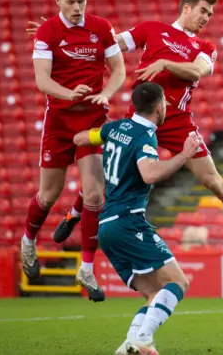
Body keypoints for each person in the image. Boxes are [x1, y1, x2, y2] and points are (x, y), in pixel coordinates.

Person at [45, 0, 223, 266]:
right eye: (203, 11)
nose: (207, 17)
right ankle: (74, 213)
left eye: (211, 14)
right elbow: (109, 44)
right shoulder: (152, 29)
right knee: (113, 174)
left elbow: (196, 72)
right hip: (141, 118)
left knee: (213, 181)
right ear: (187, 8)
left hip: (178, 119)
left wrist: (165, 62)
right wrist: (61, 37)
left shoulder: (206, 48)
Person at [22, 0, 126, 302]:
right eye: (71, 1)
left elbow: (119, 69)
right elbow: (42, 80)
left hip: (92, 121)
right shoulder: (47, 31)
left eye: (82, 0)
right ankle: (27, 242)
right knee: (47, 195)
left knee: (96, 194)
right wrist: (70, 93)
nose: (78, 7)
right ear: (58, 2)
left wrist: (105, 93)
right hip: (59, 124)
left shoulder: (101, 27)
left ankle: (86, 269)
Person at [74, 82, 197, 355]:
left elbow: (81, 138)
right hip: (129, 221)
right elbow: (150, 174)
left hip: (105, 227)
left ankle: (129, 345)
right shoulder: (145, 136)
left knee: (154, 295)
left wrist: (95, 140)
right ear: (159, 107)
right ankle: (144, 339)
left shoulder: (114, 128)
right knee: (178, 283)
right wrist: (184, 155)